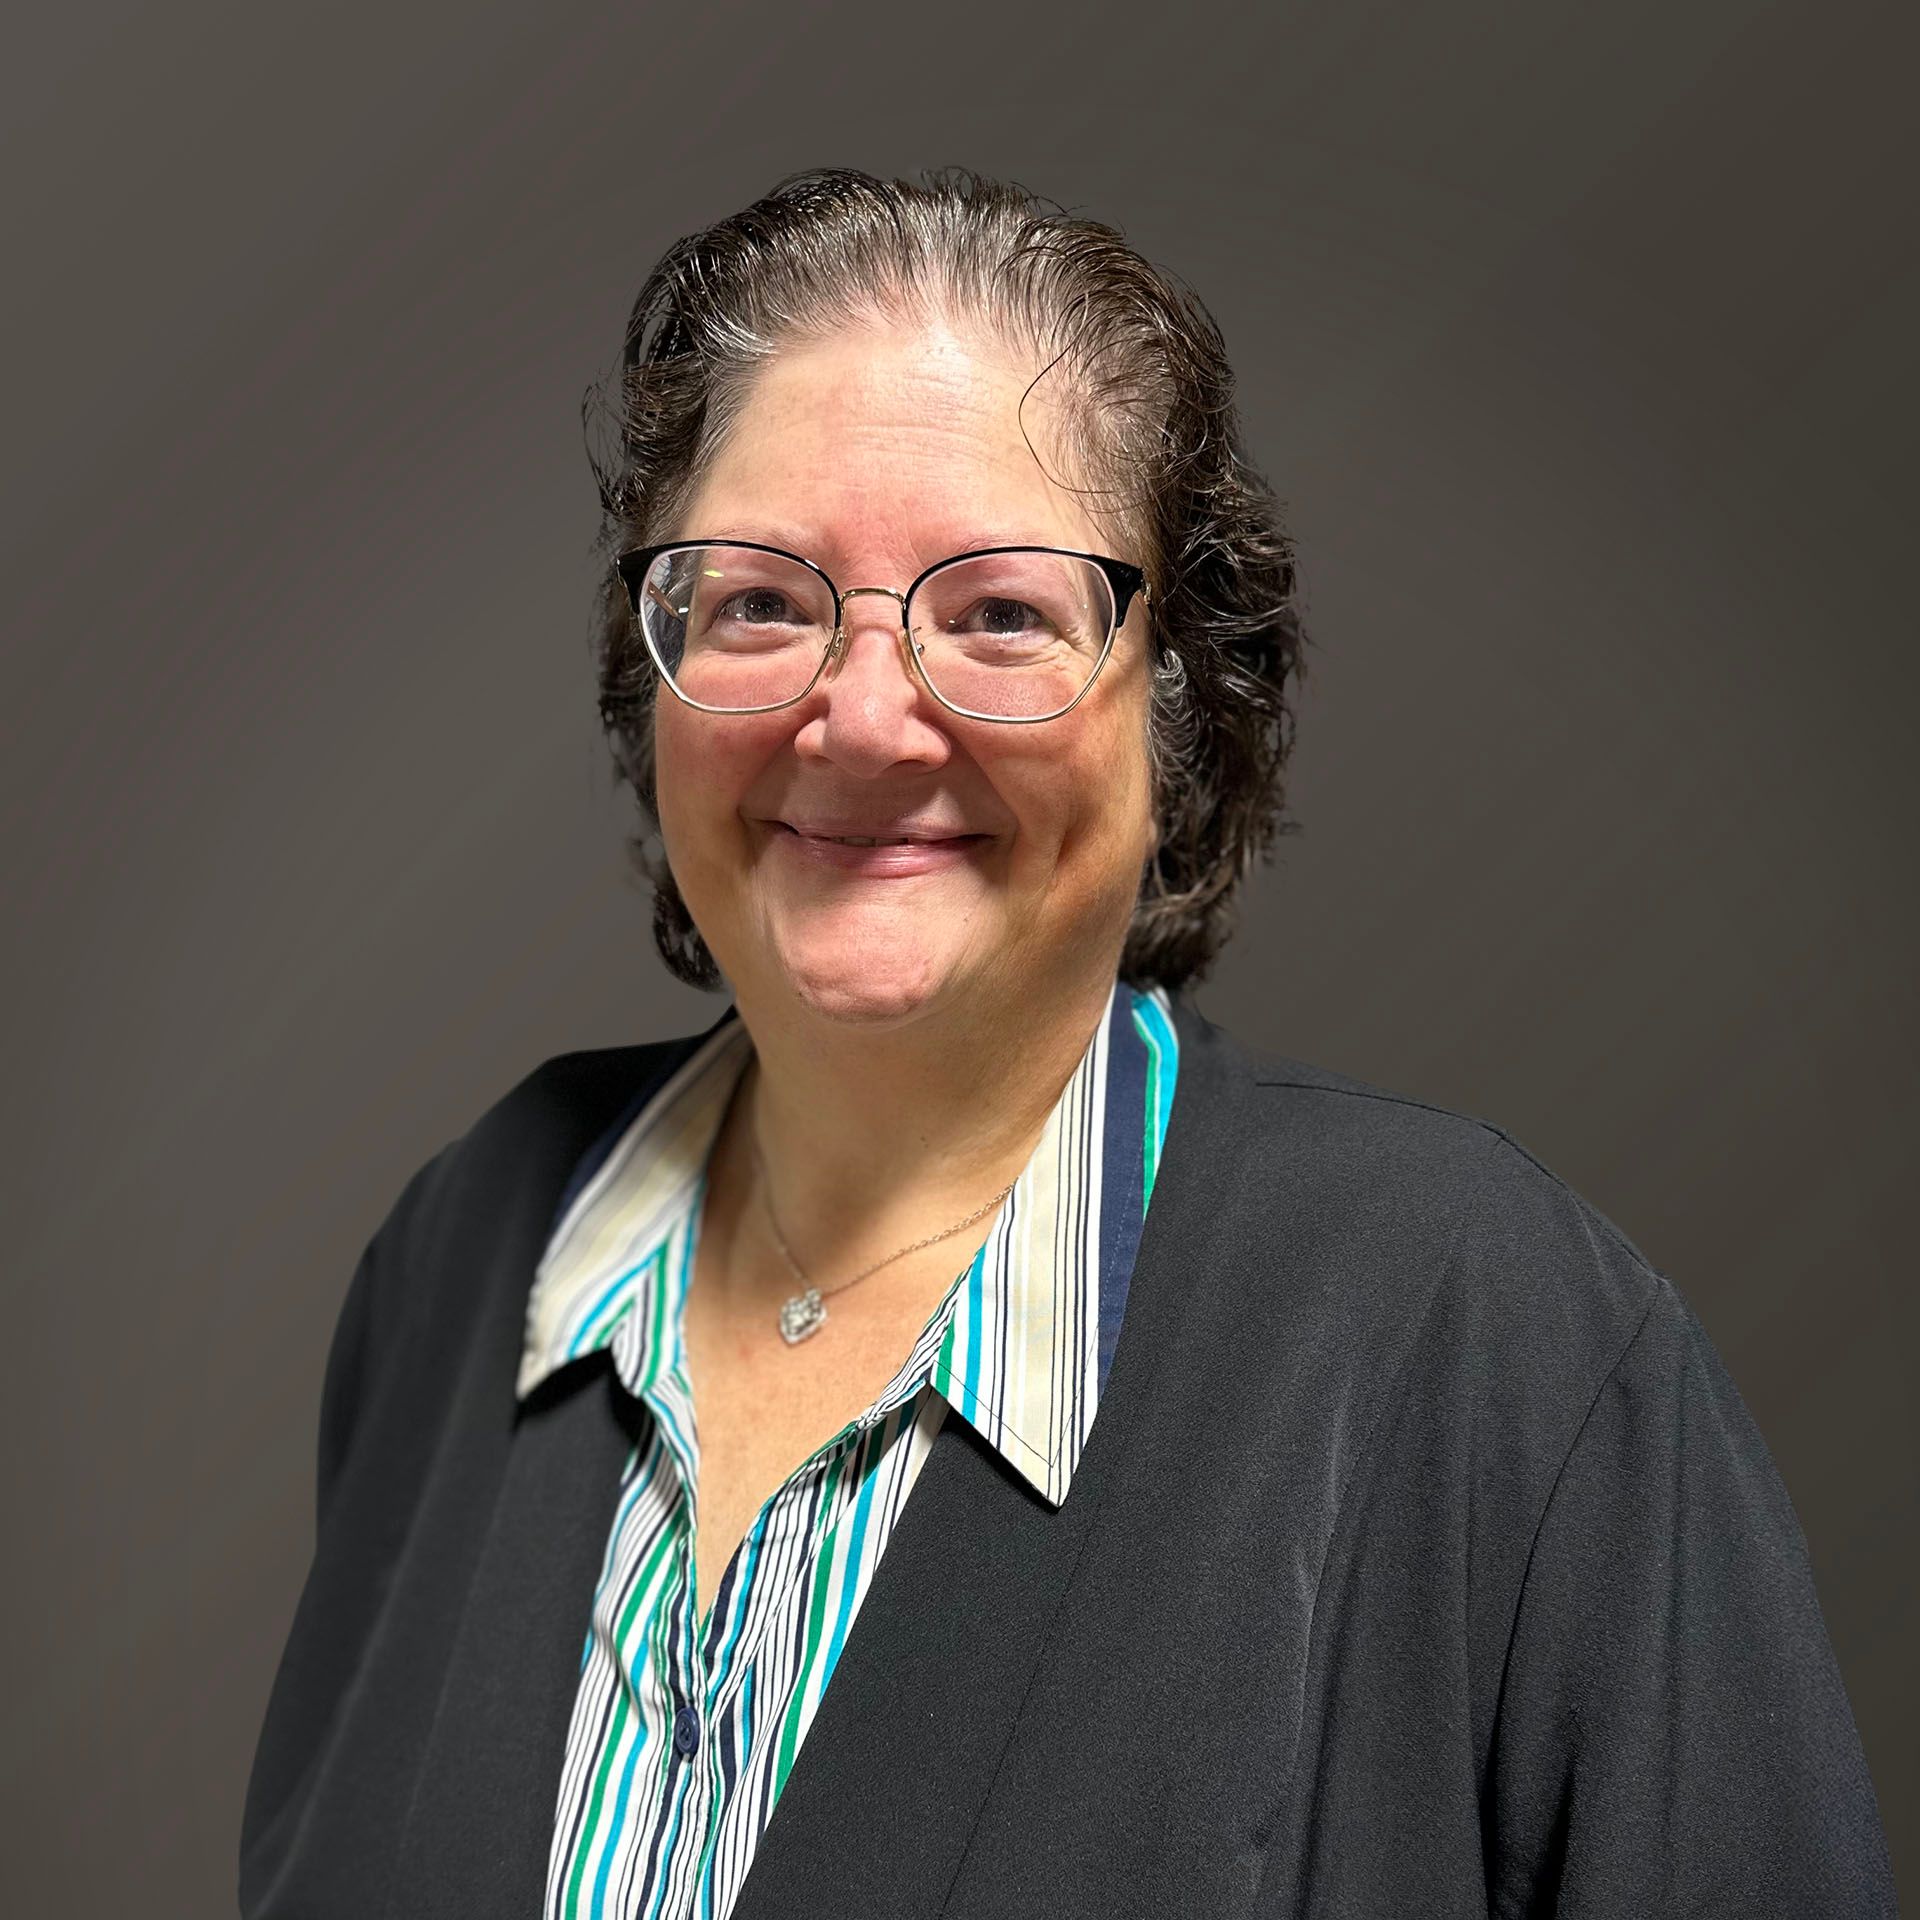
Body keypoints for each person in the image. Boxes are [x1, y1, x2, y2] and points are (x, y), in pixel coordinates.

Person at [238, 168, 1896, 1919]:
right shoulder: (464, 1259)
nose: (862, 720)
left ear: (1182, 704)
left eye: (1000, 616)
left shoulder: (1490, 1337)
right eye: (761, 603)